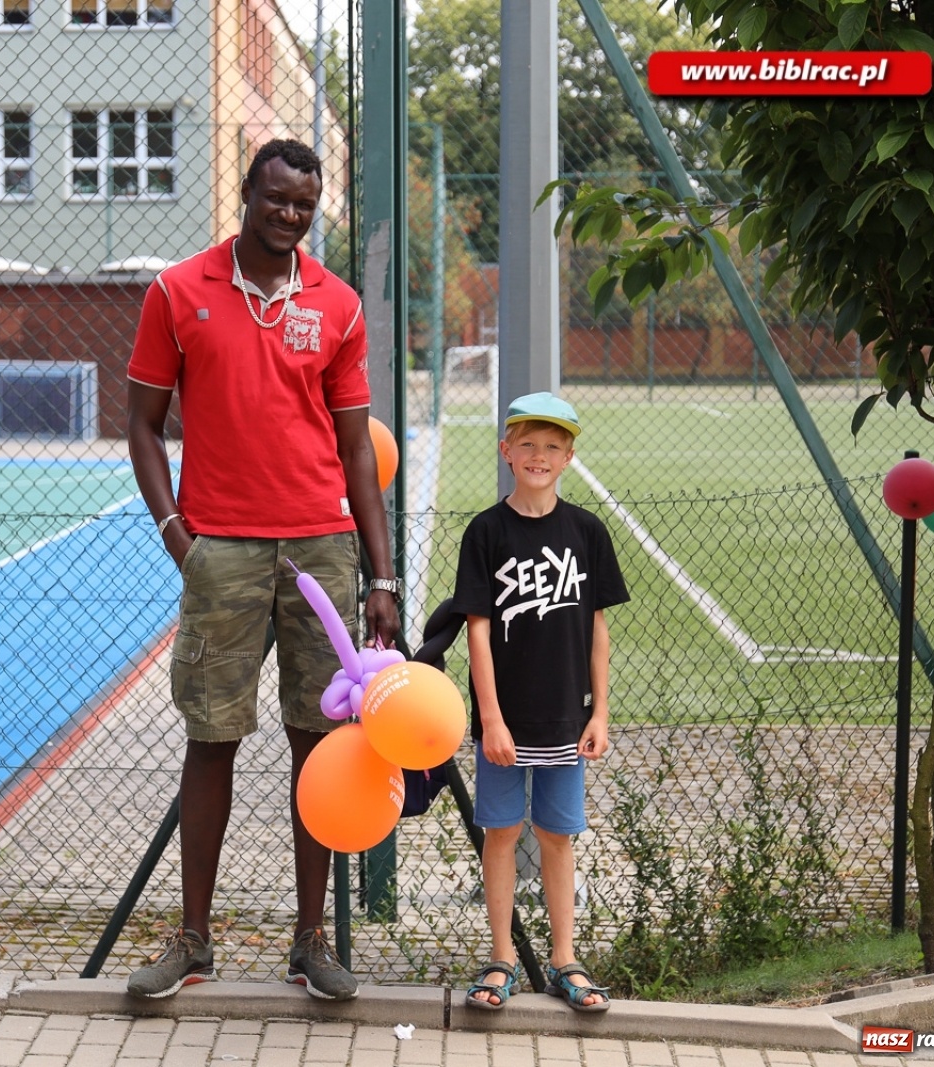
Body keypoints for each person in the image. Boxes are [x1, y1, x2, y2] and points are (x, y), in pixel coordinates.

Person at [124, 138, 401, 1001]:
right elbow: (142, 425)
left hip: (322, 547)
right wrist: (178, 532)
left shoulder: (340, 305)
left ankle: (310, 940)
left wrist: (381, 577)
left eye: (305, 205)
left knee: (317, 745)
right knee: (211, 737)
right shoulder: (177, 291)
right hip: (224, 550)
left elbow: (358, 448)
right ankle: (193, 939)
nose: (290, 215)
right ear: (245, 191)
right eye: (276, 198)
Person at [451, 392, 627, 1013]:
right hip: (506, 721)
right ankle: (500, 958)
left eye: (552, 446)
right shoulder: (486, 532)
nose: (539, 456)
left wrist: (600, 711)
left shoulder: (586, 532)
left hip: (566, 718)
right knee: (500, 834)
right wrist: (491, 717)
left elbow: (599, 630)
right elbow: (476, 630)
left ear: (570, 457)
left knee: (557, 836)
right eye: (527, 444)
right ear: (506, 451)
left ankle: (563, 961)